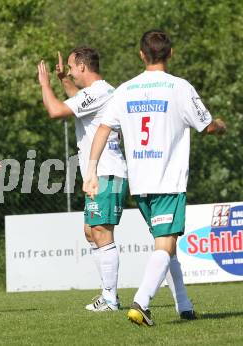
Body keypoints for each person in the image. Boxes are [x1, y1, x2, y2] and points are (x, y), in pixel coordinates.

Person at [83, 30, 226, 326]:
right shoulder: (179, 87)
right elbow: (206, 126)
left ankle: (184, 306)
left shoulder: (125, 89)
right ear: (170, 53)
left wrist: (91, 171)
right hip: (168, 182)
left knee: (167, 244)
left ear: (141, 54)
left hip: (141, 184)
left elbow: (102, 129)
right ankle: (142, 302)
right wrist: (219, 126)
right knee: (165, 245)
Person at [37, 48, 128, 311]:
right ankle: (109, 295)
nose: (71, 71)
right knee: (91, 232)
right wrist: (63, 79)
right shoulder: (102, 91)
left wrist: (45, 84)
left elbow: (56, 110)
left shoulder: (98, 92)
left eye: (72, 67)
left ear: (83, 68)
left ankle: (110, 298)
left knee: (101, 231)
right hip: (101, 172)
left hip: (106, 171)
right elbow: (79, 102)